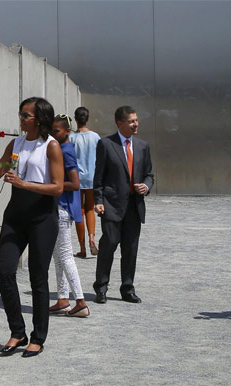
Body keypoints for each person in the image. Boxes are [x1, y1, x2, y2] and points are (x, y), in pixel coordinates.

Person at [0, 97, 64, 357]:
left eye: (25, 115)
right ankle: (17, 332)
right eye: (20, 114)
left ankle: (38, 337)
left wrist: (23, 184)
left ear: (39, 119)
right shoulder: (16, 144)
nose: (20, 119)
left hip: (42, 218)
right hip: (15, 216)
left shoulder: (51, 147)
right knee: (6, 272)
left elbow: (57, 187)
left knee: (38, 279)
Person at [92, 106, 154, 304]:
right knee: (108, 244)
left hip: (134, 207)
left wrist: (146, 185)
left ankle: (127, 288)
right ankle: (101, 287)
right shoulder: (106, 144)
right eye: (132, 121)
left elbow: (149, 175)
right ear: (120, 123)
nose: (136, 124)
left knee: (131, 249)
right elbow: (98, 176)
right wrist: (98, 201)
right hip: (111, 205)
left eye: (136, 120)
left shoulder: (143, 146)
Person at [48, 114, 90, 317]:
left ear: (67, 132)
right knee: (58, 256)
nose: (52, 134)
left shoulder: (66, 150)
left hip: (62, 208)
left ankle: (80, 301)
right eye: (51, 130)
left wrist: (49, 185)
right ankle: (63, 299)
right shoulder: (60, 148)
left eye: (56, 131)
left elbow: (74, 183)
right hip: (59, 207)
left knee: (65, 255)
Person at [70, 107, 101, 258]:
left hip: (76, 178)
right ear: (87, 118)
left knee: (79, 211)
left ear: (75, 119)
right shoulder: (95, 137)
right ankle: (92, 238)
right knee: (90, 208)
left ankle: (82, 248)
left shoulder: (71, 138)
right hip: (92, 177)